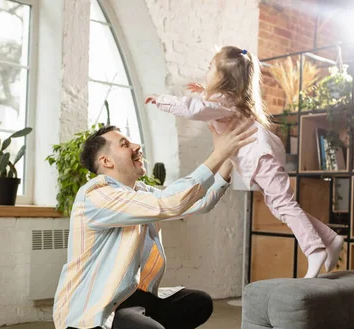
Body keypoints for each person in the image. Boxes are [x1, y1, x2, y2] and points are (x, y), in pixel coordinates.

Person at [53, 119, 257, 329]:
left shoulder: (141, 193)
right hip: (86, 314)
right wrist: (218, 152)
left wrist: (229, 159)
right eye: (125, 145)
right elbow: (170, 202)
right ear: (106, 161)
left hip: (127, 299)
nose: (137, 147)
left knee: (197, 304)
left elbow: (197, 203)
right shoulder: (97, 195)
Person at [145, 45, 344, 278]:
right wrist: (203, 91)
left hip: (262, 158)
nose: (206, 72)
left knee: (284, 206)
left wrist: (162, 100)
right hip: (262, 158)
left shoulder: (223, 101)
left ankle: (314, 250)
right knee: (282, 207)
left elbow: (195, 109)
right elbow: (206, 105)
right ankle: (330, 239)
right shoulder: (229, 99)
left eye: (210, 68)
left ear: (222, 77)